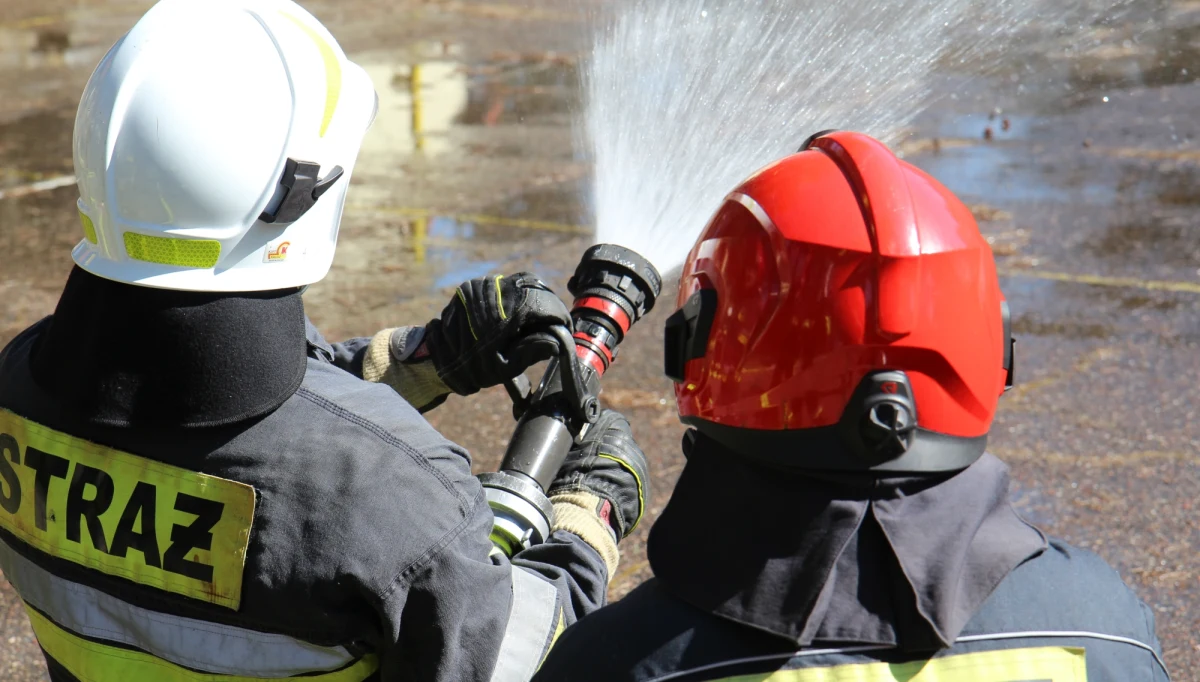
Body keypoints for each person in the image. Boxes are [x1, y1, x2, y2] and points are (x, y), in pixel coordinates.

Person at [0, 1, 649, 680]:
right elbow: (517, 657)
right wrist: (584, 517)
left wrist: (427, 359)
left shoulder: (18, 395)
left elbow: (242, 418)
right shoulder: (400, 506)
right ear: (301, 197)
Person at [534, 131, 1170, 682]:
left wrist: (568, 550)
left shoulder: (617, 663)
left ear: (701, 353)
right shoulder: (1109, 631)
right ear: (991, 352)